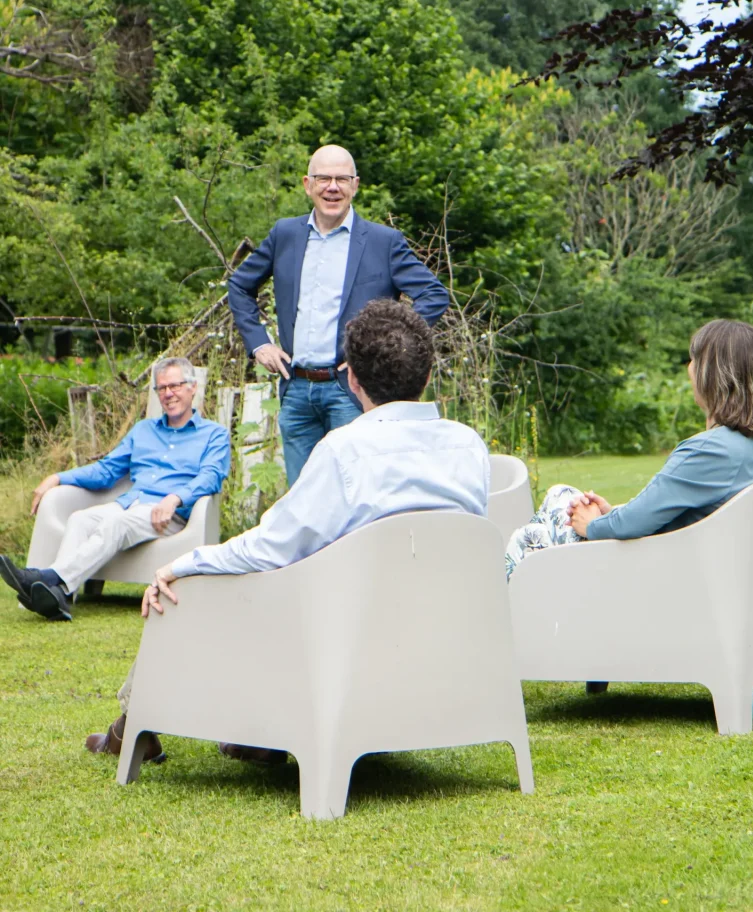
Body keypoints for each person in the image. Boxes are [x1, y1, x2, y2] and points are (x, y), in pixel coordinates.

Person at [85, 299, 490, 764]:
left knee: (192, 585)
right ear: (426, 376)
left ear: (351, 378)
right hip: (438, 640)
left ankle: (133, 723)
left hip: (343, 644)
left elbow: (269, 547)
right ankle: (254, 733)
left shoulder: (344, 451)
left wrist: (180, 563)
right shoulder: (469, 446)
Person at [227, 144, 450, 486]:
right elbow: (240, 286)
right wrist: (259, 344)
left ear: (355, 185)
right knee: (302, 502)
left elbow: (433, 295)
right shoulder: (285, 234)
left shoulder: (382, 241)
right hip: (296, 390)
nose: (332, 187)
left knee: (356, 493)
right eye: (323, 178)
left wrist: (381, 348)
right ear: (307, 184)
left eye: (342, 179)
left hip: (353, 391)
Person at [505, 319, 753, 577]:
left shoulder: (709, 451)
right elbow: (662, 513)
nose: (689, 368)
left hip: (654, 574)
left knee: (528, 539)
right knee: (559, 494)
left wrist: (593, 525)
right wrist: (610, 514)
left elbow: (632, 524)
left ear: (710, 374)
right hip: (693, 561)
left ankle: (516, 612)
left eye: (693, 360)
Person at [0, 358, 231, 622]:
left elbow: (211, 476)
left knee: (118, 523)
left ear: (192, 388)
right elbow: (106, 471)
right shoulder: (144, 430)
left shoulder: (214, 434)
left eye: (175, 386)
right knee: (80, 519)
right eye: (162, 388)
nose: (168, 394)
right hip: (129, 504)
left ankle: (50, 578)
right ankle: (61, 595)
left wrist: (175, 498)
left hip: (169, 515)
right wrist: (58, 478)